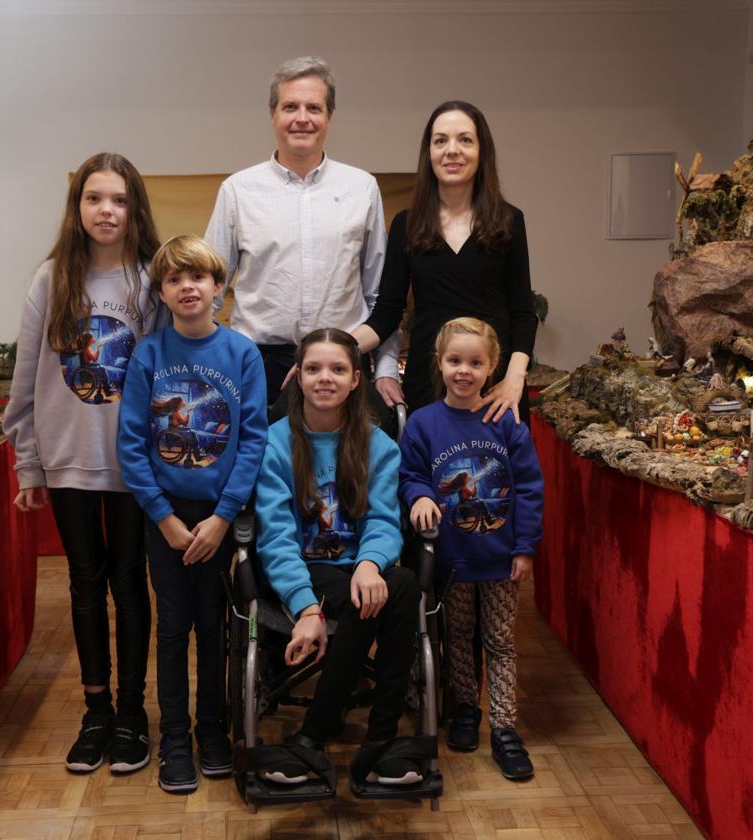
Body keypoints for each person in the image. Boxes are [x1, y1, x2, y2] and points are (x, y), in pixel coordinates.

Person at [3, 152, 165, 776]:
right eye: (95, 199)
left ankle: (132, 712)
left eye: (119, 200)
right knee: (84, 584)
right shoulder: (51, 279)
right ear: (77, 209)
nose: (107, 211)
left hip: (131, 464)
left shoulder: (150, 279)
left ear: (134, 209)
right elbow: (25, 379)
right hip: (68, 456)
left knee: (129, 582)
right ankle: (94, 711)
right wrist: (28, 463)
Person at [118, 234, 268, 794]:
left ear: (218, 288)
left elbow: (252, 440)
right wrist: (163, 517)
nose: (188, 287)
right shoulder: (149, 355)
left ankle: (212, 731)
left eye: (199, 278)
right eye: (176, 279)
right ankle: (175, 737)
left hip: (218, 518)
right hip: (167, 519)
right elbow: (132, 444)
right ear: (162, 291)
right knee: (173, 625)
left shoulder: (242, 354)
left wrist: (224, 516)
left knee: (215, 625)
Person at [254, 328, 422, 787]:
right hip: (300, 570)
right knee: (381, 595)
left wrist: (369, 564)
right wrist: (306, 606)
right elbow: (276, 537)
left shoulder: (378, 445)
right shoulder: (274, 444)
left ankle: (323, 740)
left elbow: (385, 522)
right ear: (297, 376)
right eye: (313, 368)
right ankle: (371, 743)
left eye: (337, 369)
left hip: (358, 569)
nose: (324, 378)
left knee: (401, 582)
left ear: (355, 381)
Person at [204, 56, 400, 403]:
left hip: (342, 362)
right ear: (272, 114)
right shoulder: (237, 191)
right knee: (262, 458)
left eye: (314, 107)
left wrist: (385, 370)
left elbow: (379, 298)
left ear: (330, 116)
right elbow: (209, 292)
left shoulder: (362, 188)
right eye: (290, 106)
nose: (302, 118)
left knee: (344, 460)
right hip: (258, 366)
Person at [398, 317, 543, 779]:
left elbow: (529, 488)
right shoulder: (422, 424)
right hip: (451, 560)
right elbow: (410, 475)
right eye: (455, 360)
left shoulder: (507, 423)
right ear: (439, 363)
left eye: (475, 362)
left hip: (500, 558)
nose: (464, 370)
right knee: (457, 636)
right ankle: (465, 710)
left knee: (500, 643)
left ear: (492, 366)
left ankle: (504, 728)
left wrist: (524, 547)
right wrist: (419, 495)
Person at [351, 101, 538, 423]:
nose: (452, 150)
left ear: (482, 152)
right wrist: (330, 350)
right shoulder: (406, 224)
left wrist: (514, 380)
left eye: (465, 139)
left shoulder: (509, 221)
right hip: (428, 385)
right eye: (441, 141)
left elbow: (523, 312)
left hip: (494, 389)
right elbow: (386, 316)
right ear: (429, 154)